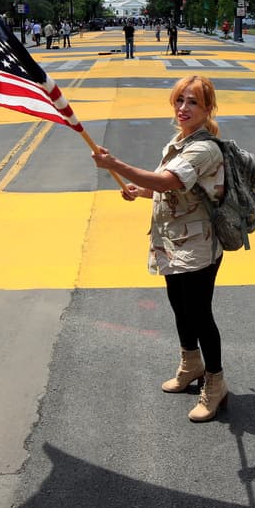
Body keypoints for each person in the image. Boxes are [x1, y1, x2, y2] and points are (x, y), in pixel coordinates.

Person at [90, 75, 229, 423]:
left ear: (208, 108)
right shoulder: (178, 141)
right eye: (180, 100)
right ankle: (191, 364)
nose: (183, 108)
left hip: (197, 246)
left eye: (193, 102)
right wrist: (140, 190)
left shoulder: (205, 148)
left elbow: (170, 181)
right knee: (180, 309)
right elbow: (168, 189)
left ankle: (215, 383)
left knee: (200, 315)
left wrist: (116, 165)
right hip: (171, 242)